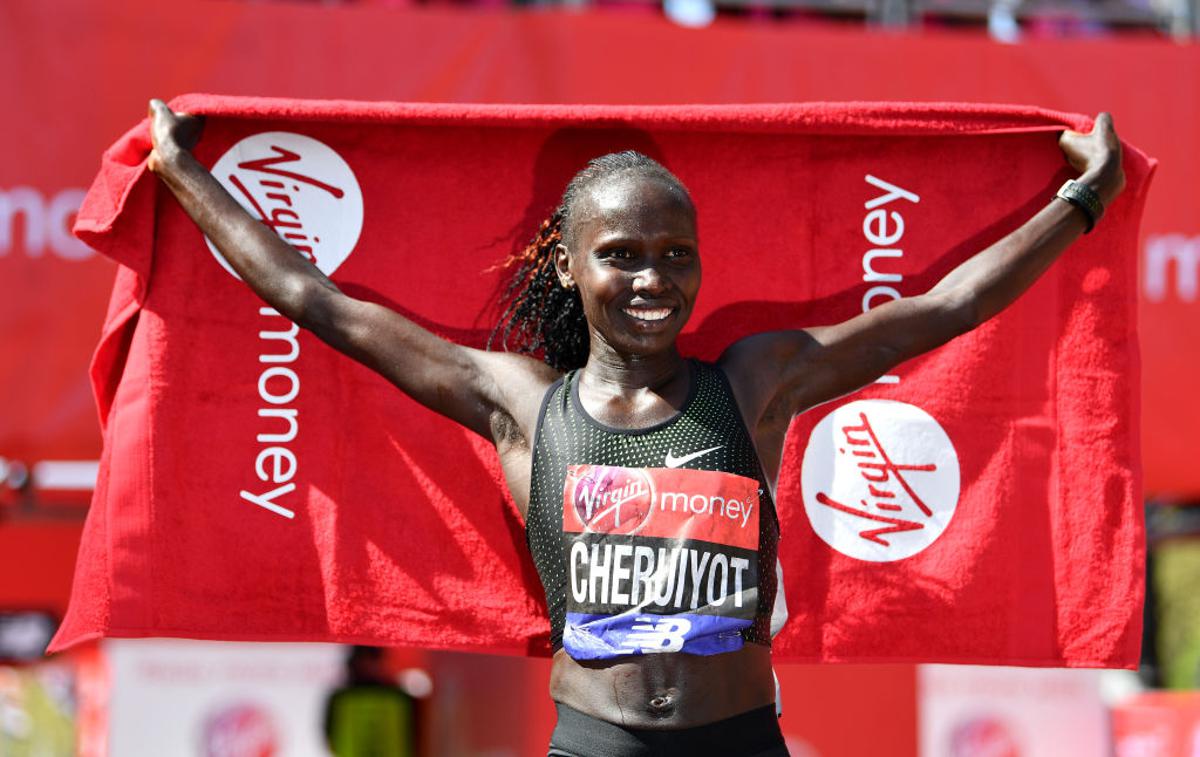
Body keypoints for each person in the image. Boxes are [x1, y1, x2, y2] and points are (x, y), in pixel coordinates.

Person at [145, 99, 1125, 757]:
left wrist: (1082, 199)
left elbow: (945, 308)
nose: (652, 278)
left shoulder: (758, 381)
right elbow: (313, 298)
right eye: (621, 254)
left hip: (741, 737)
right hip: (595, 742)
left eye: (675, 254)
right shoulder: (522, 400)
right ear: (568, 265)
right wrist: (181, 169)